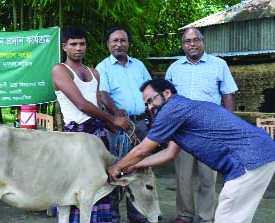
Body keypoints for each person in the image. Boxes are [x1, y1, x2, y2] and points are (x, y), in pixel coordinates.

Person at [108, 78, 275, 223]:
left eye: (151, 100)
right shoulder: (181, 108)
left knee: (229, 214)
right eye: (147, 104)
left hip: (249, 158)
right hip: (259, 153)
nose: (150, 107)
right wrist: (134, 166)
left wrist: (117, 167)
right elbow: (169, 153)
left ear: (166, 93)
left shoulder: (172, 109)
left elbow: (142, 149)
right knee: (236, 214)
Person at [52, 26, 131, 223]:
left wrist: (115, 126)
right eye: (73, 44)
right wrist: (113, 119)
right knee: (77, 189)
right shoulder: (60, 70)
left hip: (98, 136)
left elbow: (95, 106)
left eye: (82, 44)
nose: (78, 48)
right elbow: (81, 104)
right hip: (75, 139)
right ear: (64, 47)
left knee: (99, 185)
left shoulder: (94, 73)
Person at [165, 27, 238, 223]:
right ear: (183, 45)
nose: (192, 44)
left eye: (196, 40)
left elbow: (227, 96)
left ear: (202, 42)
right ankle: (184, 215)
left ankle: (206, 217)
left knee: (208, 178)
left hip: (210, 132)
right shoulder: (174, 68)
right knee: (183, 178)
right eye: (188, 41)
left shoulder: (219, 65)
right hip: (182, 132)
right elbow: (166, 100)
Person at [96, 27, 152, 223]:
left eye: (123, 40)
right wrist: (114, 114)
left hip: (141, 126)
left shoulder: (139, 65)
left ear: (128, 43)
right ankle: (113, 217)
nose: (119, 44)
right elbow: (103, 94)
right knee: (116, 172)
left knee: (139, 171)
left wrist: (153, 120)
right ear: (108, 44)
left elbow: (150, 92)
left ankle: (138, 216)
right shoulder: (103, 67)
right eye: (114, 41)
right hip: (117, 129)